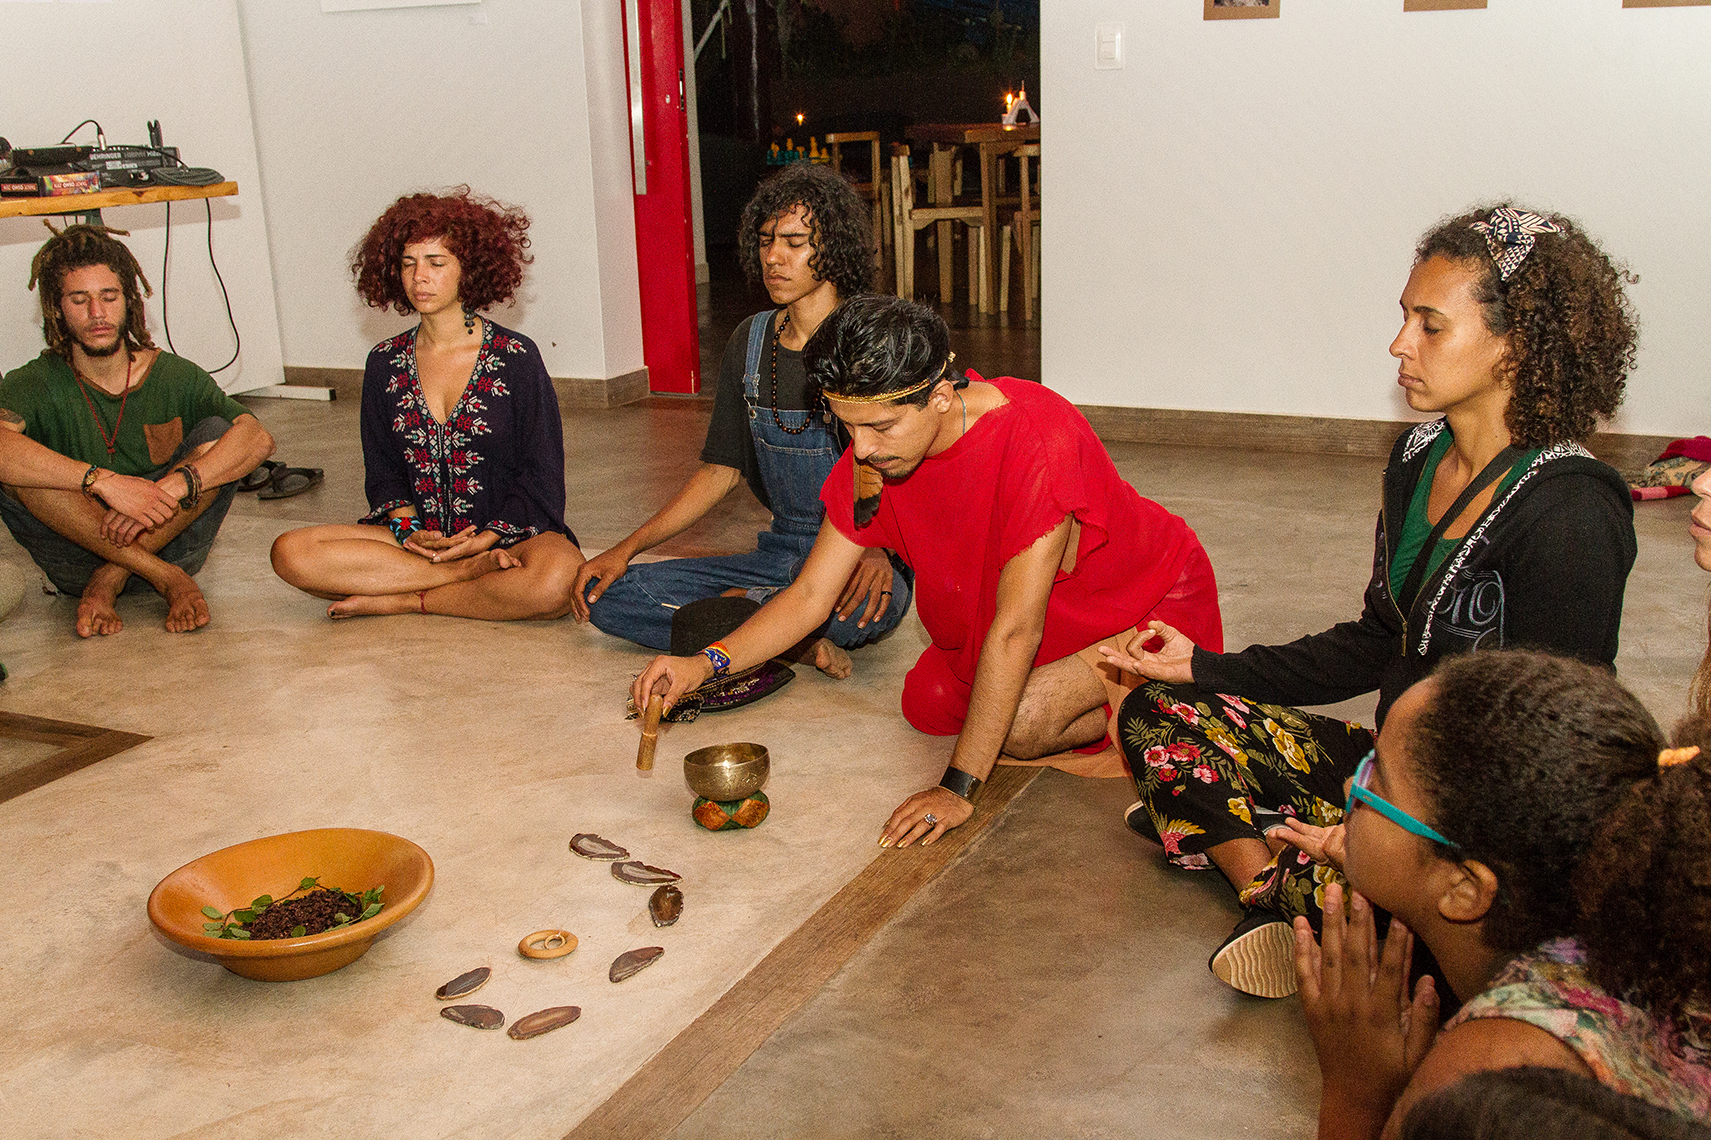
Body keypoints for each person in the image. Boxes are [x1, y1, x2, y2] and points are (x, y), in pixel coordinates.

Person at [1099, 204, 1639, 997]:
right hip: (1386, 773)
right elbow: (1378, 638)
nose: (1398, 345)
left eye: (1429, 326)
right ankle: (1274, 886)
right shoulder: (1417, 455)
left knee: (1435, 928)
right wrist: (1205, 666)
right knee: (1157, 712)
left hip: (1470, 832)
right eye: (1404, 318)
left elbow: (1553, 762)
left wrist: (1383, 837)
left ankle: (1240, 849)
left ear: (1514, 345)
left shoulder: (1570, 513)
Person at [632, 296, 1223, 846]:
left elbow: (1016, 630)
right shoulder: (874, 461)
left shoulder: (1037, 439)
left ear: (940, 395)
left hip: (1141, 601)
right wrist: (703, 665)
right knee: (929, 702)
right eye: (847, 425)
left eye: (880, 427)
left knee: (1018, 724)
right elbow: (810, 594)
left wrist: (957, 788)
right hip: (1035, 613)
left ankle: (1147, 694)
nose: (861, 449)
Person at [1290, 651, 1711, 1138]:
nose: (1351, 784)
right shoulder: (1637, 927)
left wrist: (1356, 1093)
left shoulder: (1488, 1081)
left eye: (1376, 778)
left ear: (1465, 888)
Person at [572, 164, 912, 677]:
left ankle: (757, 621)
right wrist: (625, 549)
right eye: (766, 241)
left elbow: (916, 463)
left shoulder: (875, 337)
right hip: (780, 553)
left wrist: (878, 544)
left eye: (794, 242)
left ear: (835, 248)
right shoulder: (751, 342)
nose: (773, 256)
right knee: (612, 597)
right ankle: (785, 635)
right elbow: (719, 472)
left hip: (860, 551)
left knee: (862, 612)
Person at [270, 188, 584, 620]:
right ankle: (463, 577)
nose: (420, 277)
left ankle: (405, 597)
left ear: (468, 269)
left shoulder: (516, 357)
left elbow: (541, 475)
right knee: (291, 552)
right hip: (416, 543)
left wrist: (486, 539)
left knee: (559, 576)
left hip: (505, 538)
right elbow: (384, 473)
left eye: (436, 263)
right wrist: (410, 531)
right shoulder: (384, 362)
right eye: (408, 263)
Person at [0, 223, 275, 637]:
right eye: (80, 300)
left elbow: (257, 438)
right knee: (22, 467)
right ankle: (165, 579)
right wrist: (104, 483)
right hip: (76, 559)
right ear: (56, 309)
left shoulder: (175, 375)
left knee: (222, 437)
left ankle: (111, 578)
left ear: (129, 301)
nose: (97, 313)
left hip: (173, 544)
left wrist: (171, 488)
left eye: (109, 297)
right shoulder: (31, 382)